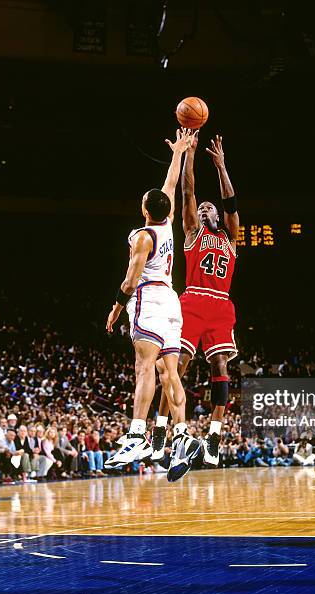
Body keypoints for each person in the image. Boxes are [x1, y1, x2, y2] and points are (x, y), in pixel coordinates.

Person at [105, 128, 200, 482]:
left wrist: (116, 308)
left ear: (145, 208)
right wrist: (178, 154)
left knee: (143, 368)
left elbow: (130, 281)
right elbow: (170, 186)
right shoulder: (169, 225)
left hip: (149, 299)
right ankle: (183, 434)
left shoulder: (143, 236)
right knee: (169, 372)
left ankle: (135, 435)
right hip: (172, 303)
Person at [154, 131, 240, 468]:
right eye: (201, 208)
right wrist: (189, 153)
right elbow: (188, 190)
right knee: (177, 368)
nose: (204, 210)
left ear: (217, 216)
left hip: (221, 303)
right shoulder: (192, 231)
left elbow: (232, 203)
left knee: (220, 367)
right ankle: (161, 430)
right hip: (192, 300)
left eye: (209, 208)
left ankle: (215, 437)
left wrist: (221, 166)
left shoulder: (231, 238)